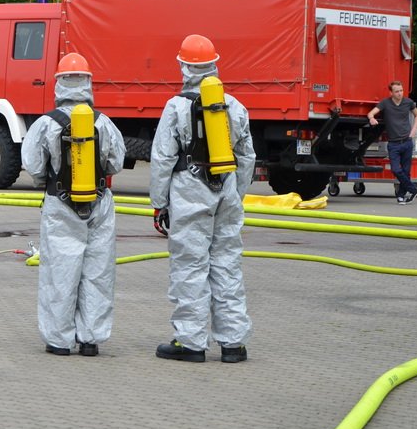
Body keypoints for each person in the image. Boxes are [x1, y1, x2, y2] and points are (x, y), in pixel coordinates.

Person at [149, 35, 256, 364]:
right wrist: (235, 195)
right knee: (227, 266)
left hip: (189, 189)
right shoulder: (234, 106)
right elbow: (247, 157)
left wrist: (160, 202)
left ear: (183, 66)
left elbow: (163, 158)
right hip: (225, 189)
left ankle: (191, 343)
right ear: (215, 64)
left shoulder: (176, 107)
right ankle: (233, 343)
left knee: (190, 266)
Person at [21, 52, 126, 357]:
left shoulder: (46, 124)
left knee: (60, 271)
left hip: (60, 203)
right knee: (97, 272)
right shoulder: (103, 123)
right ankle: (91, 339)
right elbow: (116, 162)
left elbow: (33, 164)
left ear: (59, 84)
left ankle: (58, 340)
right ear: (88, 84)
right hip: (99, 203)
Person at [367, 80, 417, 205]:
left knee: (406, 171)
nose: (400, 93)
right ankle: (413, 190)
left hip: (407, 141)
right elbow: (370, 113)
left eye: (401, 91)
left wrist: (414, 130)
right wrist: (371, 119)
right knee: (396, 170)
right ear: (391, 92)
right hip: (393, 143)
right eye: (397, 91)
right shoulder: (385, 103)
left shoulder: (408, 102)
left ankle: (401, 196)